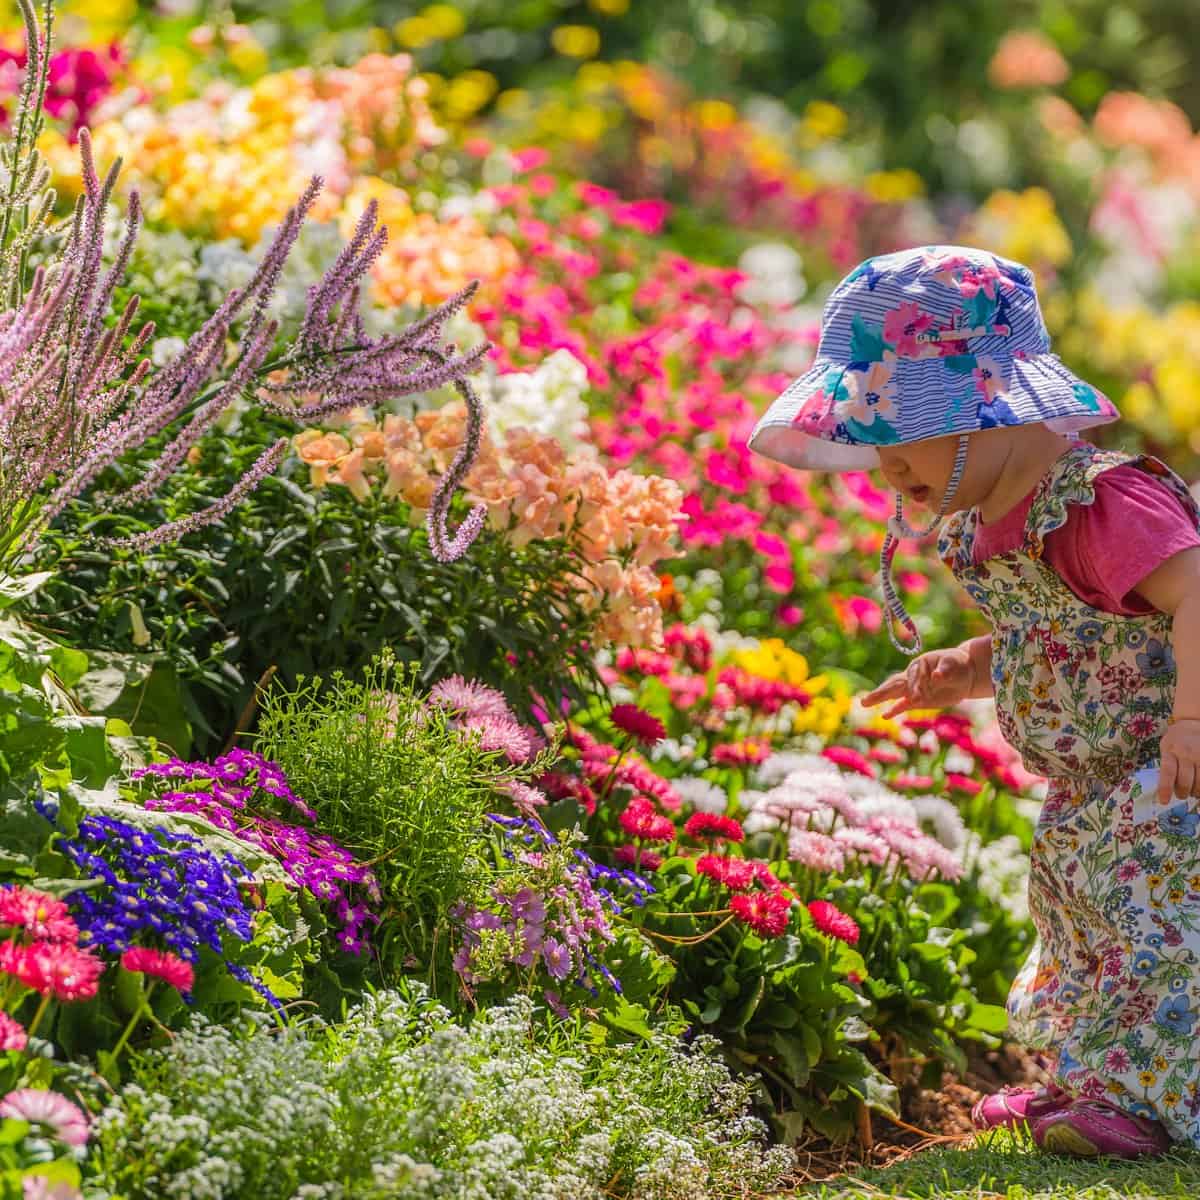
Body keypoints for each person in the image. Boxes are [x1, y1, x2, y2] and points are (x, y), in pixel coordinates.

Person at [748, 245, 1200, 1158]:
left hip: (1170, 782)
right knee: (1091, 932)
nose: (884, 469)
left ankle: (1148, 1107)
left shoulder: (1099, 506)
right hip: (1097, 794)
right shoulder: (996, 522)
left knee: (1163, 938)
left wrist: (1192, 717)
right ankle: (1094, 1086)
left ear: (984, 410)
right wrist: (969, 667)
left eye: (899, 433)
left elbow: (1192, 594)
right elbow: (1076, 637)